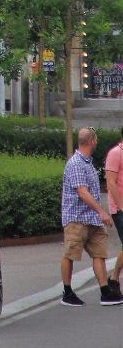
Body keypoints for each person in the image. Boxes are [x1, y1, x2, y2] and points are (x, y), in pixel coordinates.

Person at [60, 126, 122, 306]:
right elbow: (82, 192)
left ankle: (105, 291)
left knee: (99, 253)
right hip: (77, 218)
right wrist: (102, 211)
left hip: (92, 219)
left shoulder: (88, 162)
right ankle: (67, 291)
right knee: (70, 254)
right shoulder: (76, 163)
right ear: (92, 141)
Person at [104, 126, 123, 299]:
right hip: (119, 209)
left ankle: (114, 279)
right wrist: (120, 206)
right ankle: (114, 279)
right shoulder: (115, 153)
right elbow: (110, 183)